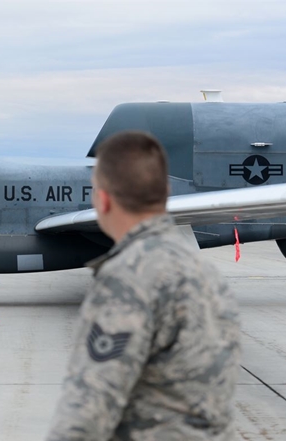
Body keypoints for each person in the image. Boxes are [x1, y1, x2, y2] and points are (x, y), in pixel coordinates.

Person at [46, 131, 240, 440]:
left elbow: (88, 411)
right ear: (164, 192)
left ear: (103, 199)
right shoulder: (208, 274)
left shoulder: (127, 279)